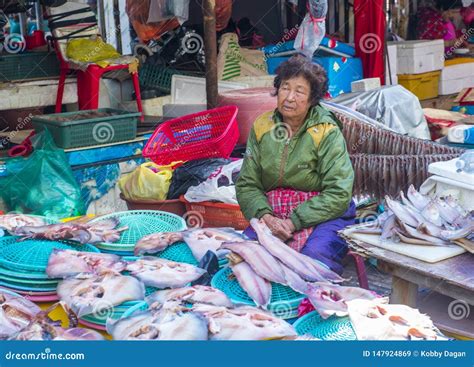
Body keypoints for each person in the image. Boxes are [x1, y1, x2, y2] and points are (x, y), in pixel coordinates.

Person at [235, 54, 355, 275]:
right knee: (245, 257)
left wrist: (292, 223)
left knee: (312, 262)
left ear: (312, 99)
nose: (289, 97)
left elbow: (339, 193)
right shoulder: (263, 126)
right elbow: (247, 184)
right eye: (284, 88)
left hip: (323, 213)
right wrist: (266, 218)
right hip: (272, 212)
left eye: (299, 91)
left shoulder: (326, 131)